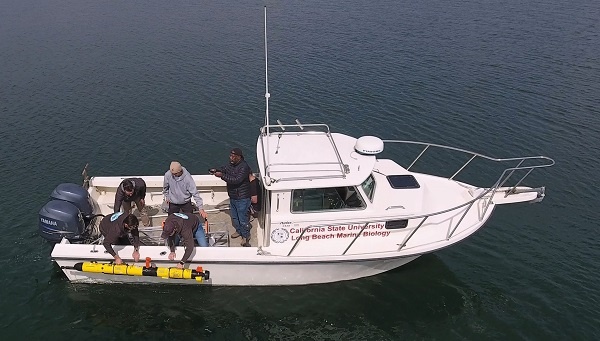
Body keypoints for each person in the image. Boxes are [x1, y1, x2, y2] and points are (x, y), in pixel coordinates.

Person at [213, 148, 252, 247]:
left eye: (233, 156)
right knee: (235, 217)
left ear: (239, 157)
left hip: (242, 197)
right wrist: (217, 170)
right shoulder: (231, 164)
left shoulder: (244, 167)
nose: (231, 158)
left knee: (243, 219)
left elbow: (236, 180)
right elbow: (225, 169)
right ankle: (239, 231)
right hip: (233, 196)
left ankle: (246, 236)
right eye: (230, 156)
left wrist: (222, 176)